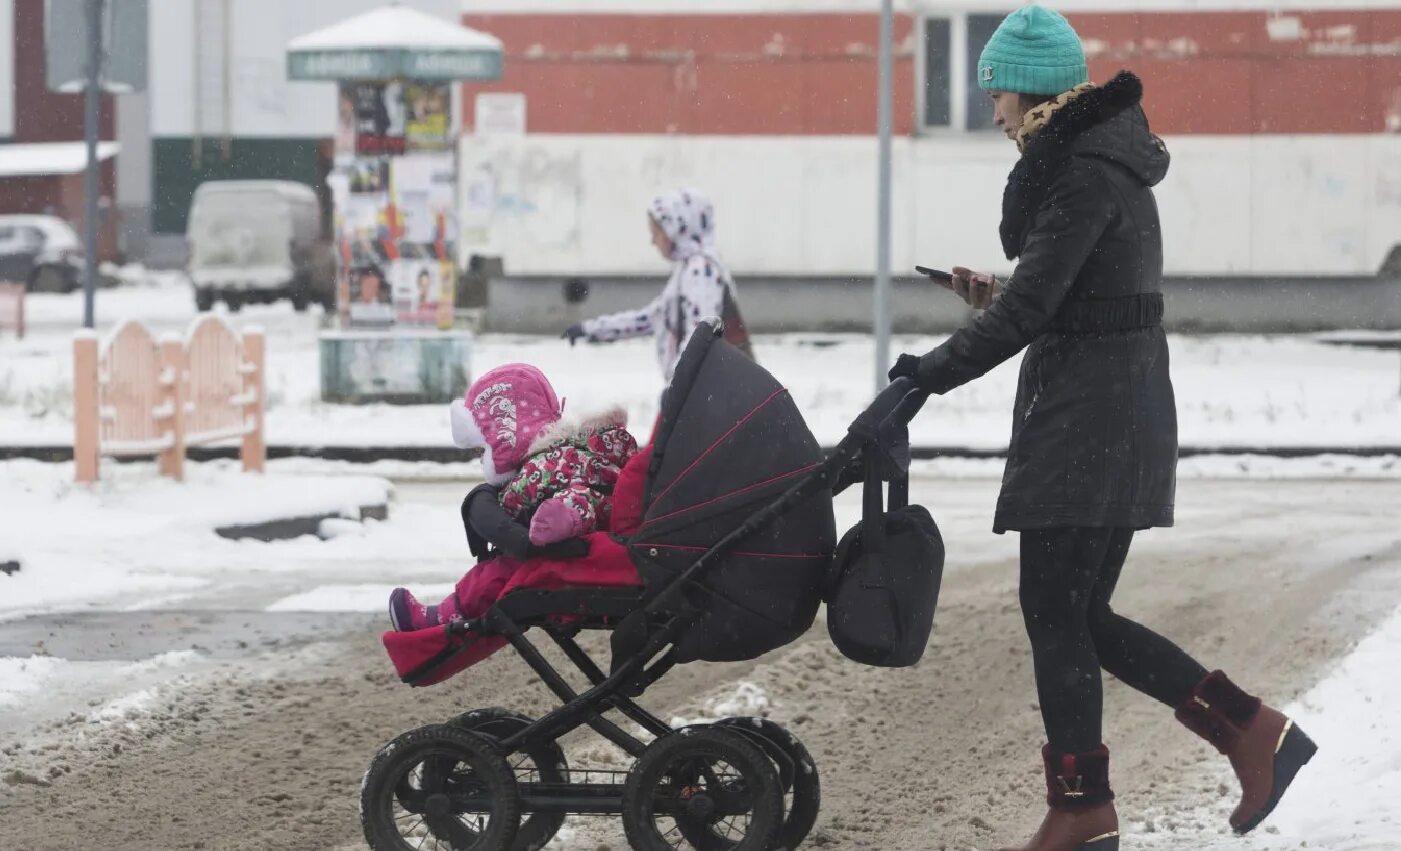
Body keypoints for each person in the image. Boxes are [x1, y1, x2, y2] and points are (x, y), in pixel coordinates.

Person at [886, 8, 1315, 851]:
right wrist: (1000, 296)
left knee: (1057, 611)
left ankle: (1086, 805)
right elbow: (1077, 292)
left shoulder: (1080, 169)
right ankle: (1246, 730)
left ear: (1029, 89)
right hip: (1109, 407)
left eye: (997, 93)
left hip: (1090, 419)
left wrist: (928, 371)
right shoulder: (1098, 160)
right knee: (1079, 613)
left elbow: (1041, 308)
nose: (994, 112)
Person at [389, 363, 638, 632]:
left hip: (574, 559)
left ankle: (443, 616)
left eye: (482, 450)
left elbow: (521, 500)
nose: (481, 459)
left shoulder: (545, 467)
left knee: (501, 573)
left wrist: (501, 511)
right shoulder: (586, 457)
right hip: (606, 548)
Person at [562, 188, 751, 381]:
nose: (653, 241)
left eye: (657, 232)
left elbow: (699, 338)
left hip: (715, 394)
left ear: (677, 229)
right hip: (707, 392)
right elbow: (653, 317)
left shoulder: (701, 271)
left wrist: (678, 388)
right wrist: (591, 329)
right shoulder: (689, 269)